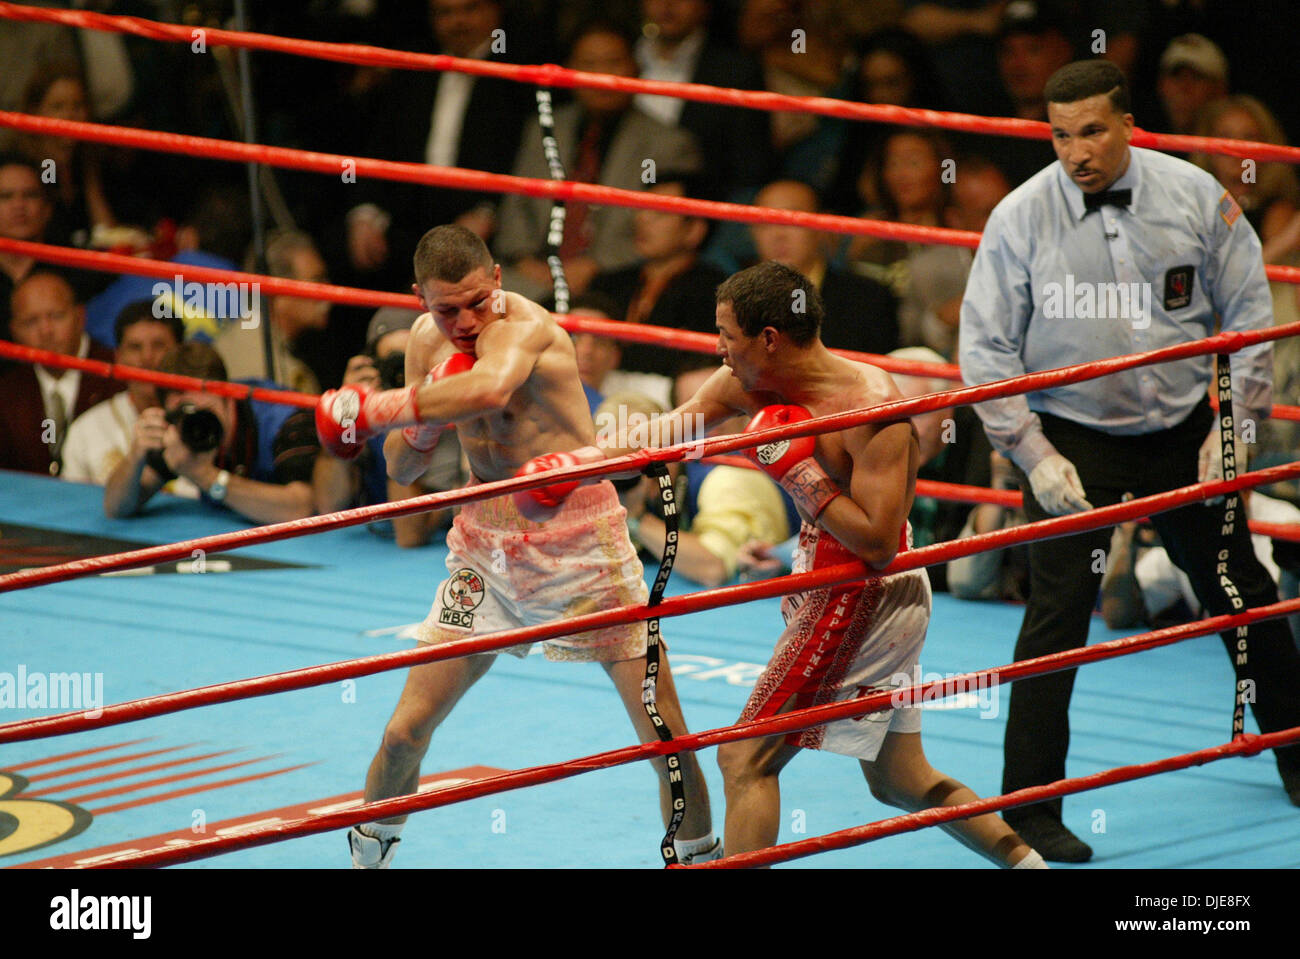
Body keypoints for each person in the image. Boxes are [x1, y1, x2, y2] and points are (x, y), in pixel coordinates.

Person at [958, 59, 1300, 863]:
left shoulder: (1192, 196)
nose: (1076, 151)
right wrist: (1032, 454)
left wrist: (1235, 428)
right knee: (1056, 615)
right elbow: (984, 350)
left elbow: (1248, 309)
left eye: (1092, 131)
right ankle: (1032, 805)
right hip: (1073, 437)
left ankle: (1294, 743)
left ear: (1127, 125)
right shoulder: (1019, 218)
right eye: (1060, 134)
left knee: (1240, 588)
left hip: (1184, 430)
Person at [609, 260, 1044, 867]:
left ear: (769, 338)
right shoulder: (747, 381)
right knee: (898, 777)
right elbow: (665, 435)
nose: (718, 349)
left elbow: (878, 543)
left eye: (727, 335)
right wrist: (581, 461)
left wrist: (801, 474)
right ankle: (1030, 865)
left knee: (744, 758)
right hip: (825, 578)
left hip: (864, 590)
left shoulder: (872, 410)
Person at [314, 224, 717, 868]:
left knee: (661, 730)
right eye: (448, 309)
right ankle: (367, 861)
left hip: (580, 538)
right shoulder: (425, 344)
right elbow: (406, 471)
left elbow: (490, 388)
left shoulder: (523, 327)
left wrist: (373, 408)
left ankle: (701, 859)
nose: (468, 320)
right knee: (403, 734)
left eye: (479, 300)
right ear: (419, 299)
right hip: (485, 542)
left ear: (498, 279)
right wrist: (416, 432)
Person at [104, 341, 319, 524]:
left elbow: (301, 509)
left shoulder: (287, 418)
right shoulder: (181, 430)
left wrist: (205, 476)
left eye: (207, 411)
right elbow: (116, 508)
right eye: (187, 412)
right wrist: (135, 457)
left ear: (228, 396)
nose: (199, 422)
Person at [60, 300, 191, 494]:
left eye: (159, 345)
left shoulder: (205, 421)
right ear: (118, 357)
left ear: (180, 353)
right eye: (135, 347)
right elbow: (70, 506)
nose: (147, 358)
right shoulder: (85, 430)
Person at [0, 270, 122, 476]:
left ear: (80, 316)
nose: (46, 331)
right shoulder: (7, 391)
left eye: (56, 316)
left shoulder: (116, 374)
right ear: (14, 331)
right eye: (31, 322)